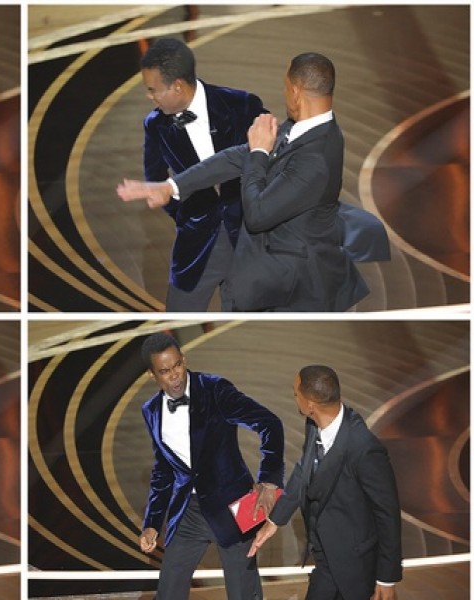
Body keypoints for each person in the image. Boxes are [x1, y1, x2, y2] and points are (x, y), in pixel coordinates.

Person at [118, 52, 369, 312]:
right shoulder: (303, 127)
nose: (283, 94)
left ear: (295, 91)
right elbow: (236, 157)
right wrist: (171, 187)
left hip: (295, 289)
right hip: (265, 272)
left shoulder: (316, 159)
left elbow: (257, 214)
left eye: (284, 87)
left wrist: (259, 152)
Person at [138, 332, 284, 600]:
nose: (175, 376)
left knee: (243, 594)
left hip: (233, 509)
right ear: (152, 375)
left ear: (184, 359)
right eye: (165, 371)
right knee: (168, 592)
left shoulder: (215, 389)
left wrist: (269, 479)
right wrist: (152, 523)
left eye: (178, 366)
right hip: (188, 515)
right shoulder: (151, 410)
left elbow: (269, 423)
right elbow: (163, 471)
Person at [248, 366, 402, 600]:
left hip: (355, 566)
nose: (294, 397)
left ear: (310, 404)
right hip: (325, 557)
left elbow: (387, 513)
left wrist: (387, 578)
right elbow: (303, 470)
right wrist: (275, 520)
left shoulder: (364, 448)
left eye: (296, 393)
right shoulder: (314, 424)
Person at [136, 38, 266, 311]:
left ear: (178, 86)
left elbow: (272, 159)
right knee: (178, 317)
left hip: (250, 241)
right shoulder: (155, 125)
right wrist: (185, 214)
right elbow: (155, 177)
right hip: (196, 244)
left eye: (153, 90)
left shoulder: (242, 104)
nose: (149, 97)